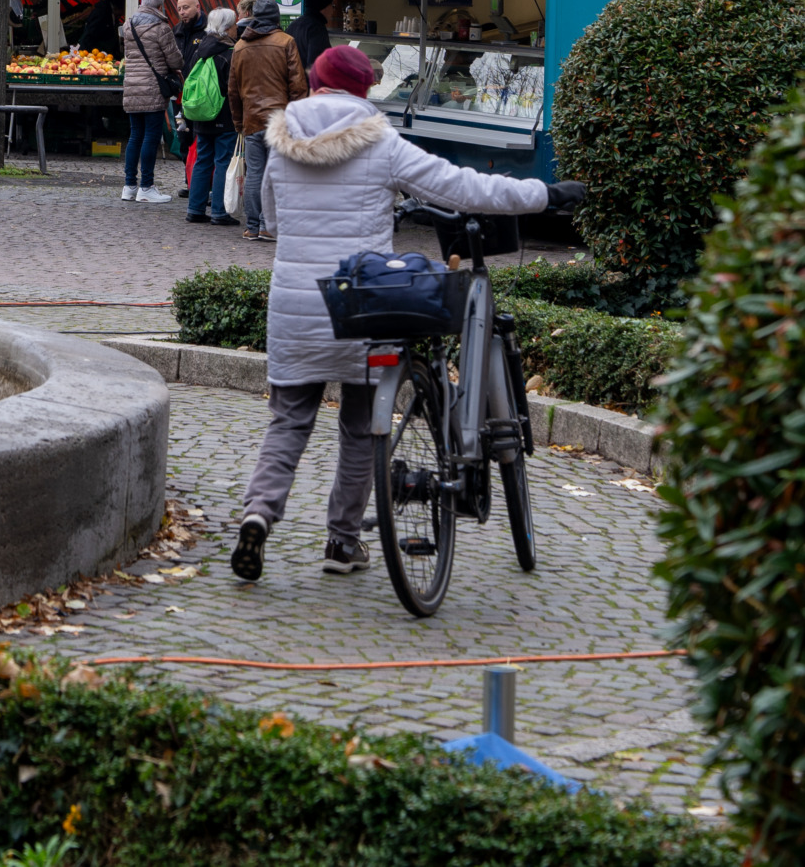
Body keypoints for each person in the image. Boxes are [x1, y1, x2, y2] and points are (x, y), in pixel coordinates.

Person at [230, 42, 584, 586]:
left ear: (316, 84)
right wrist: (545, 194)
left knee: (289, 420)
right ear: (363, 89)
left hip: (295, 305)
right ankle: (342, 542)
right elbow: (462, 187)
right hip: (359, 303)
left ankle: (258, 515)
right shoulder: (381, 142)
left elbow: (271, 220)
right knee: (357, 427)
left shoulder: (283, 141)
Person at [228, 0, 306, 238]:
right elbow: (298, 86)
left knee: (254, 175)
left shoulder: (240, 46)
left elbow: (233, 89)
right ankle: (267, 226)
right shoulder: (286, 42)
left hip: (252, 120)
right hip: (279, 121)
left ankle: (252, 227)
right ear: (276, 18)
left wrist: (239, 122)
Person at [120, 0, 184, 204]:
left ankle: (129, 186)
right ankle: (146, 186)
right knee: (150, 136)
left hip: (132, 86)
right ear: (160, 6)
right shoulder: (161, 27)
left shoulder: (128, 26)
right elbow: (175, 61)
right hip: (153, 88)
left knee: (135, 135)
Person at [184, 7, 240, 225]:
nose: (237, 28)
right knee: (223, 162)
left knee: (202, 160)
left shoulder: (200, 48)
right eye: (234, 24)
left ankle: (195, 209)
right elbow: (232, 87)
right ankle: (219, 211)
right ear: (227, 27)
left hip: (201, 114)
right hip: (223, 115)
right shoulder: (229, 52)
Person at [289, 0, 340, 77]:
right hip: (308, 88)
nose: (333, 10)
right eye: (332, 6)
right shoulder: (317, 28)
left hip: (291, 87)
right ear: (323, 7)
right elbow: (317, 65)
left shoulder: (293, 25)